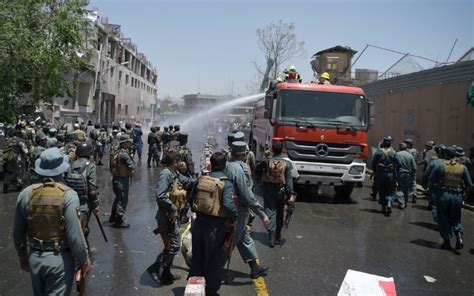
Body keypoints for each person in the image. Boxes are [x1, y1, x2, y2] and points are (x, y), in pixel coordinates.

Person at [13, 147, 92, 295]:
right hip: (59, 260)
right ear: (62, 168)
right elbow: (75, 236)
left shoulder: (26, 194)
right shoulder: (69, 196)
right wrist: (84, 261)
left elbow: (18, 232)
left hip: (35, 257)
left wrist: (22, 255)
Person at [188, 152, 238, 295]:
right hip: (216, 227)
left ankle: (194, 288)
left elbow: (191, 200)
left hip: (199, 224)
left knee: (198, 256)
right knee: (214, 259)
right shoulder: (226, 183)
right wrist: (234, 218)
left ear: (211, 164)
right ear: (224, 165)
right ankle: (211, 290)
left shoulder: (201, 179)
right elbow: (228, 205)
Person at [147, 149, 195, 285]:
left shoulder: (174, 174)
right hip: (166, 216)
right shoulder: (166, 174)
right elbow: (160, 195)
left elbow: (186, 181)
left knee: (169, 245)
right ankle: (154, 268)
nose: (181, 163)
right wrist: (173, 208)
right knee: (173, 246)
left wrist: (199, 180)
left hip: (173, 216)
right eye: (180, 161)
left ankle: (166, 274)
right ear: (175, 162)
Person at [225, 141, 270, 278]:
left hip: (231, 209)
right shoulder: (239, 169)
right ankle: (213, 269)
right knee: (230, 242)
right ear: (244, 154)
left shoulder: (227, 164)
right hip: (238, 211)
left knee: (244, 238)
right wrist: (261, 214)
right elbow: (247, 196)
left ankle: (255, 267)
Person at [428, 146, 473, 250]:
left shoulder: (439, 166)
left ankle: (447, 241)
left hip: (443, 194)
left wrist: (433, 192)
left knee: (443, 218)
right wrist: (464, 197)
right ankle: (459, 236)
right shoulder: (462, 167)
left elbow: (431, 181)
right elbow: (469, 185)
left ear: (445, 155)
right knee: (456, 218)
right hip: (457, 195)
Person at [258, 141, 296, 247]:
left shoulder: (267, 161)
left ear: (272, 149)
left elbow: (257, 169)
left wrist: (264, 157)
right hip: (281, 191)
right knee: (280, 213)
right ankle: (278, 236)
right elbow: (289, 181)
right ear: (282, 150)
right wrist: (291, 194)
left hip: (269, 190)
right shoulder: (287, 164)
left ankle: (272, 237)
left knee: (270, 212)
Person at [65, 141, 99, 252]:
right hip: (85, 203)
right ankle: (84, 253)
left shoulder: (71, 164)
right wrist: (95, 205)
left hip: (71, 202)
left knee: (73, 228)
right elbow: (92, 190)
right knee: (84, 229)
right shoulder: (91, 166)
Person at [109, 134, 135, 228]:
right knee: (122, 200)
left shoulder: (115, 152)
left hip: (116, 179)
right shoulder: (124, 154)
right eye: (128, 142)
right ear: (124, 143)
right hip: (122, 180)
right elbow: (132, 166)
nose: (130, 143)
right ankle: (119, 221)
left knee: (118, 198)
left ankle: (112, 217)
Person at [371, 136, 397, 216]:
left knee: (381, 190)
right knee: (390, 191)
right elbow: (398, 164)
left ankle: (383, 208)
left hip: (380, 174)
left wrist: (374, 171)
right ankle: (389, 204)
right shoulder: (394, 152)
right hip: (390, 175)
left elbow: (373, 164)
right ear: (390, 144)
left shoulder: (378, 152)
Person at [3, 127, 29, 193]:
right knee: (19, 173)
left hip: (9, 159)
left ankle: (5, 187)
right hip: (18, 160)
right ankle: (18, 187)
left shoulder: (8, 140)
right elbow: (25, 151)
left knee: (9, 172)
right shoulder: (20, 141)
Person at [395, 143, 417, 209]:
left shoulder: (397, 154)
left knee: (400, 188)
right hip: (408, 175)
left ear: (400, 147)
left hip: (400, 173)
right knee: (406, 189)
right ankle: (405, 202)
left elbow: (394, 164)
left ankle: (401, 203)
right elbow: (414, 168)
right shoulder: (410, 156)